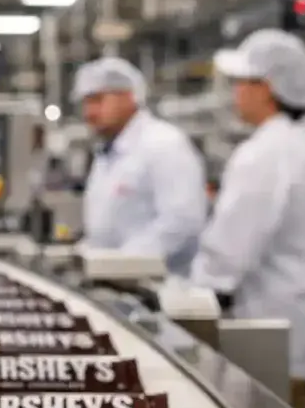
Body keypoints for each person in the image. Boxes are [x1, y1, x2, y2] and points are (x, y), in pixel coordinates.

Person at [189, 29, 305, 408]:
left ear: (268, 88)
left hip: (275, 342)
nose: (236, 93)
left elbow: (230, 250)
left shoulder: (264, 153)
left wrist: (190, 302)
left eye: (242, 83)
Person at [70, 57, 208, 275]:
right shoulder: (108, 152)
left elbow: (182, 221)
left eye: (98, 100)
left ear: (129, 96)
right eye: (86, 103)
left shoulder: (163, 144)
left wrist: (122, 263)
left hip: (162, 286)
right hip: (116, 281)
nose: (89, 113)